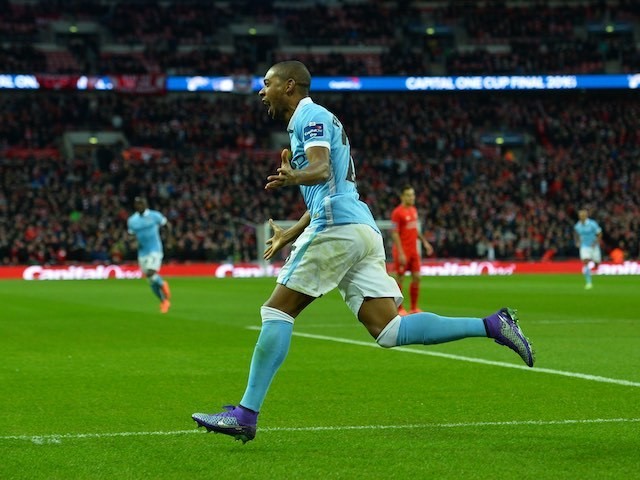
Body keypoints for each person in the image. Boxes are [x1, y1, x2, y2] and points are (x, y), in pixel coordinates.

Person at [192, 61, 535, 444]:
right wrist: (292, 231)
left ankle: (245, 414)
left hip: (338, 228)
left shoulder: (311, 115)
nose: (261, 91)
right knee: (390, 329)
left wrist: (295, 176)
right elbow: (329, 183)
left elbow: (321, 170)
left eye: (267, 83)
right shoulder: (312, 120)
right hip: (359, 228)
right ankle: (493, 324)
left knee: (276, 310)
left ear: (290, 86)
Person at [390, 185, 434, 315]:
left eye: (413, 195)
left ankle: (414, 307)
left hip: (414, 251)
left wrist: (425, 242)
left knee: (417, 277)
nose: (412, 197)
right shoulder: (397, 212)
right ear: (402, 197)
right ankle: (399, 308)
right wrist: (401, 253)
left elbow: (415, 230)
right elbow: (395, 233)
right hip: (402, 251)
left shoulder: (413, 210)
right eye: (409, 195)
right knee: (400, 278)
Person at [126, 197, 171, 313]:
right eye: (137, 204)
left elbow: (167, 225)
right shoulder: (132, 220)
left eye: (141, 203)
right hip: (142, 252)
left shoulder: (155, 216)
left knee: (151, 272)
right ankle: (164, 301)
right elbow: (131, 235)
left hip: (155, 249)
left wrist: (169, 239)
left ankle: (163, 283)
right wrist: (132, 242)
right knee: (150, 280)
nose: (139, 206)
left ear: (146, 204)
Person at [573, 208, 602, 289]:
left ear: (586, 215)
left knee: (597, 263)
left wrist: (596, 242)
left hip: (594, 246)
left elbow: (599, 233)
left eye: (583, 215)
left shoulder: (592, 224)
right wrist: (577, 242)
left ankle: (596, 265)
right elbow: (576, 234)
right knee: (585, 262)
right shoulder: (577, 226)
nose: (581, 216)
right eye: (580, 215)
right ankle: (588, 282)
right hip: (584, 246)